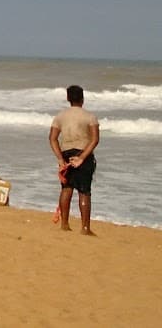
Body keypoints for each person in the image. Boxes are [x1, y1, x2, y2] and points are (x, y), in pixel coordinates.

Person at [49, 84, 100, 235]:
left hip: (66, 154)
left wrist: (60, 159)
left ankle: (64, 224)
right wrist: (82, 157)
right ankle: (85, 228)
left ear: (68, 98)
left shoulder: (60, 116)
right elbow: (95, 140)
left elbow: (52, 139)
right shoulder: (90, 116)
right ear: (82, 99)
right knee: (84, 191)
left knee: (66, 189)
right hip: (83, 154)